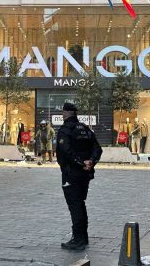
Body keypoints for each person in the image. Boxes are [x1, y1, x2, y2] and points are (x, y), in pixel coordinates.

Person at [56, 103, 102, 250]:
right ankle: (83, 237)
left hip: (72, 174)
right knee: (80, 204)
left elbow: (66, 152)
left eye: (63, 112)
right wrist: (91, 162)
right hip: (85, 174)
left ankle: (78, 239)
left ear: (65, 114)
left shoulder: (65, 130)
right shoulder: (85, 129)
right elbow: (98, 149)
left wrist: (81, 163)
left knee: (75, 206)